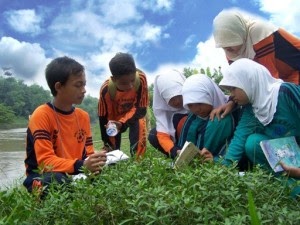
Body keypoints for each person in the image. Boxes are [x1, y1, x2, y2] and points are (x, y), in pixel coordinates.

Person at [23, 56, 107, 198]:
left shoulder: (83, 116)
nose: (84, 90)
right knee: (54, 181)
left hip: (75, 170)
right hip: (43, 175)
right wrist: (82, 165)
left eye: (84, 84)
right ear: (59, 87)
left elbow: (88, 152)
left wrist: (97, 158)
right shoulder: (42, 114)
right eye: (78, 85)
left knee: (110, 167)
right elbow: (45, 163)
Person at [217, 58, 300, 196]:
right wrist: (220, 172)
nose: (231, 95)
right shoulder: (252, 109)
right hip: (290, 154)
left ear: (248, 81)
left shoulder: (285, 92)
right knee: (253, 143)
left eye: (233, 88)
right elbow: (239, 139)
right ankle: (289, 187)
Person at [213, 8, 300, 85]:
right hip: (287, 80)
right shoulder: (230, 50)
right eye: (223, 46)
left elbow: (271, 79)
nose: (226, 49)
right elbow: (241, 81)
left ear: (239, 33)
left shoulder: (258, 30)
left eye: (230, 41)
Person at [98, 52, 149, 157]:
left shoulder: (141, 79)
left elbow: (141, 109)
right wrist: (108, 138)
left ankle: (139, 162)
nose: (130, 86)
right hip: (115, 118)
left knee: (139, 124)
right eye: (124, 83)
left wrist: (122, 123)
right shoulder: (106, 89)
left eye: (132, 80)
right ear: (114, 79)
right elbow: (104, 117)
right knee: (112, 149)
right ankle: (114, 160)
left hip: (135, 114)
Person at [178, 74, 236, 161]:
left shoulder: (227, 112)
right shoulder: (193, 117)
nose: (196, 109)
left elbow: (233, 143)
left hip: (218, 160)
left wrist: (216, 160)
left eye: (200, 103)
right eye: (190, 105)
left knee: (218, 119)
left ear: (210, 96)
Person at [148, 70, 189, 159]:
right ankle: (176, 156)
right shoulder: (163, 110)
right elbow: (162, 135)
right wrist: (175, 150)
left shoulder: (195, 103)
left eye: (179, 96)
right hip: (178, 145)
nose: (177, 102)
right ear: (163, 98)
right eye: (171, 98)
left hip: (195, 140)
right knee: (153, 134)